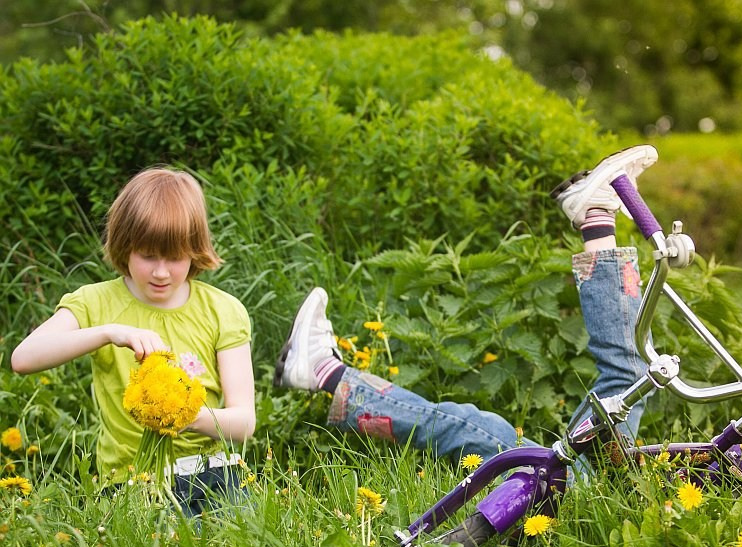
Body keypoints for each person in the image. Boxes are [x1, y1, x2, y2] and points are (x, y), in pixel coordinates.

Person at [274, 146, 660, 461]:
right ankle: (595, 214)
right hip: (604, 484)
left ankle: (326, 373)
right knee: (630, 379)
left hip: (579, 499)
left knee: (501, 439)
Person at [11, 167, 256, 514]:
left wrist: (185, 415)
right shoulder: (95, 303)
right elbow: (23, 358)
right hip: (131, 483)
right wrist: (110, 333)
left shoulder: (222, 310)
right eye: (147, 255)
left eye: (174, 257)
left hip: (216, 474)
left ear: (194, 251)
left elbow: (244, 423)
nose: (160, 272)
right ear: (125, 247)